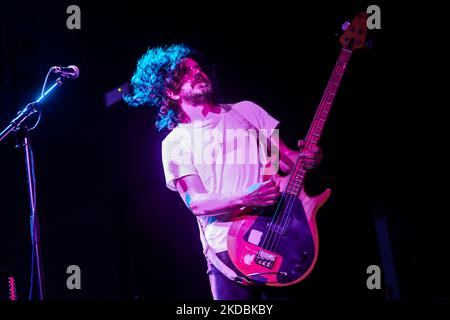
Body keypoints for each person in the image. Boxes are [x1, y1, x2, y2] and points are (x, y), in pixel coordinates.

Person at [125, 44, 322, 300]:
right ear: (172, 92)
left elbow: (282, 161)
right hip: (228, 253)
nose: (197, 72)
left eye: (198, 68)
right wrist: (245, 198)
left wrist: (306, 158)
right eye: (185, 72)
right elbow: (195, 202)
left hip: (278, 239)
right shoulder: (176, 143)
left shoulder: (247, 112)